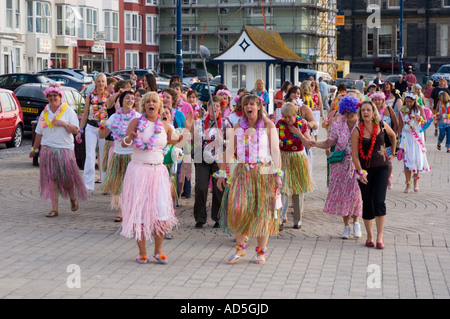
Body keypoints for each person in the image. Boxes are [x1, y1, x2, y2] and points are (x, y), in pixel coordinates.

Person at [119, 91, 193, 264]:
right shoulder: (136, 122)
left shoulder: (165, 126)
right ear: (144, 105)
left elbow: (178, 142)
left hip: (158, 173)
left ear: (160, 106)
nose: (151, 104)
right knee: (140, 212)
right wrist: (130, 137)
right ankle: (142, 252)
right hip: (138, 171)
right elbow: (125, 143)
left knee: (160, 211)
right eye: (148, 102)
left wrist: (187, 128)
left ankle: (158, 251)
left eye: (154, 101)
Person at [217, 94, 282, 265]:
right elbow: (230, 150)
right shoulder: (239, 126)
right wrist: (222, 172)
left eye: (252, 104)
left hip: (264, 171)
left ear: (259, 107)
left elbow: (275, 151)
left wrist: (278, 174)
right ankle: (240, 247)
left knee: (262, 211)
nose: (248, 107)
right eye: (246, 105)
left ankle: (261, 252)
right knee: (237, 207)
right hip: (242, 171)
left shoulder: (268, 125)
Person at [30, 85, 88, 217]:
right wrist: (34, 149)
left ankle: (73, 197)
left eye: (55, 95)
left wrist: (64, 124)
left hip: (65, 149)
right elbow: (39, 133)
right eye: (50, 96)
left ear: (60, 97)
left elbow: (76, 130)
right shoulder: (45, 113)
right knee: (52, 179)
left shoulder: (68, 111)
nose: (52, 98)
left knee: (68, 179)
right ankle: (54, 209)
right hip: (48, 149)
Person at [312, 95, 363, 238]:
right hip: (340, 165)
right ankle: (346, 226)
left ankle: (357, 223)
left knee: (356, 195)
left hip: (357, 164)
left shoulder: (362, 125)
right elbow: (329, 143)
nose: (349, 115)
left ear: (356, 110)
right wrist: (314, 143)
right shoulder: (337, 125)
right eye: (345, 112)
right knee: (343, 196)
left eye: (351, 112)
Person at [351, 100, 397, 249]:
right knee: (367, 203)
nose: (365, 112)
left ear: (373, 112)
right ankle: (370, 236)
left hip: (382, 169)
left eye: (368, 110)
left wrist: (393, 153)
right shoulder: (357, 130)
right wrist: (360, 171)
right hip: (364, 171)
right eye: (363, 110)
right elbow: (354, 155)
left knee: (379, 202)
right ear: (360, 113)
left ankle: (380, 236)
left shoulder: (382, 125)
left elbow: (393, 136)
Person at [99, 90, 141, 222]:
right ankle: (121, 211)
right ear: (121, 101)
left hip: (132, 156)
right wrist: (102, 127)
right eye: (127, 98)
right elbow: (102, 136)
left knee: (132, 185)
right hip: (118, 155)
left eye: (132, 98)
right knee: (119, 185)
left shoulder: (138, 117)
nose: (130, 100)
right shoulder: (114, 118)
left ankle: (133, 210)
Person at [277, 102, 313, 230]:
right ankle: (281, 219)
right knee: (283, 188)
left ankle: (297, 220)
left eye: (290, 117)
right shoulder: (279, 124)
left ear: (295, 114)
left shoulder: (302, 124)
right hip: (284, 157)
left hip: (298, 157)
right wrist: (279, 143)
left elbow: (308, 144)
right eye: (285, 117)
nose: (287, 120)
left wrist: (300, 134)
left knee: (298, 190)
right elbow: (275, 141)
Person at [192, 96, 224, 229]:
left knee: (218, 189)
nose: (214, 108)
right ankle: (200, 218)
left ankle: (218, 217)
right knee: (201, 186)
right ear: (208, 108)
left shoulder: (225, 123)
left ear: (221, 109)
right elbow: (194, 139)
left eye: (217, 106)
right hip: (202, 157)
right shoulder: (199, 123)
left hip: (218, 158)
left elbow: (231, 140)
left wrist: (223, 140)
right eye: (212, 105)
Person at [76, 73, 109, 192]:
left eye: (103, 81)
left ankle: (106, 184)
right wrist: (80, 129)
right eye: (98, 81)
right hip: (91, 127)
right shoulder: (90, 96)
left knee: (104, 156)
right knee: (89, 155)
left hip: (104, 129)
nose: (100, 84)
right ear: (95, 83)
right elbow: (85, 114)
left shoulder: (109, 96)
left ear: (106, 83)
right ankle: (88, 185)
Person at [397, 93, 431, 193]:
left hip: (417, 136)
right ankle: (408, 184)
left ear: (414, 101)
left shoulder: (419, 108)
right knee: (407, 160)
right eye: (406, 101)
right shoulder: (402, 110)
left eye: (410, 102)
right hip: (406, 136)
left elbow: (425, 121)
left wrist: (420, 119)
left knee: (417, 159)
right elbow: (400, 125)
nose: (408, 103)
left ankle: (416, 183)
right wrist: (399, 137)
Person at [370, 92, 398, 190]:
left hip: (387, 139)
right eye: (375, 100)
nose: (377, 101)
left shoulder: (388, 109)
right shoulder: (370, 111)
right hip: (374, 140)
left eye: (379, 100)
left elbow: (395, 123)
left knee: (388, 162)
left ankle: (388, 178)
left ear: (382, 101)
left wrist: (394, 137)